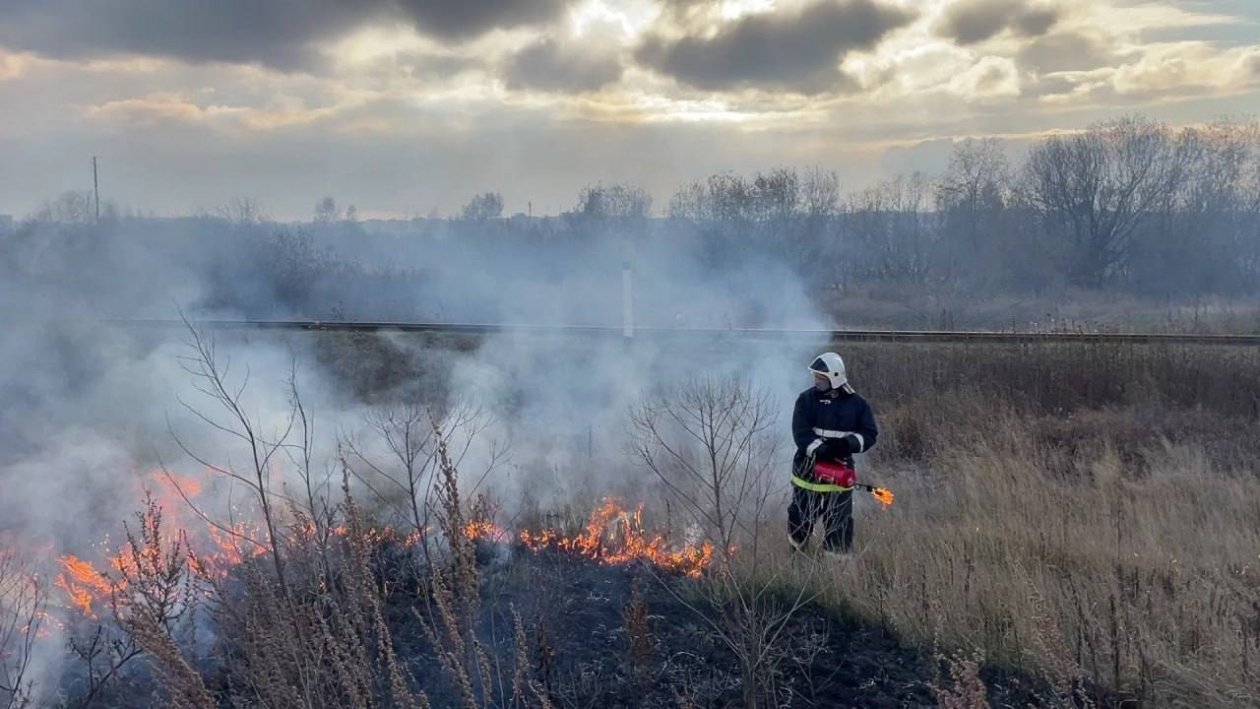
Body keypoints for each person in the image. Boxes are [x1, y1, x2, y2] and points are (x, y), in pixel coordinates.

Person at [789, 351, 879, 556]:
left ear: (835, 378)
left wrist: (845, 445)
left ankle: (836, 567)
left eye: (821, 377)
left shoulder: (857, 405)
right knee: (799, 520)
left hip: (840, 474)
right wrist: (822, 451)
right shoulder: (806, 400)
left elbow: (869, 434)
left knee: (839, 523)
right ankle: (797, 560)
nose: (816, 380)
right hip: (807, 472)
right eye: (816, 377)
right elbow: (800, 434)